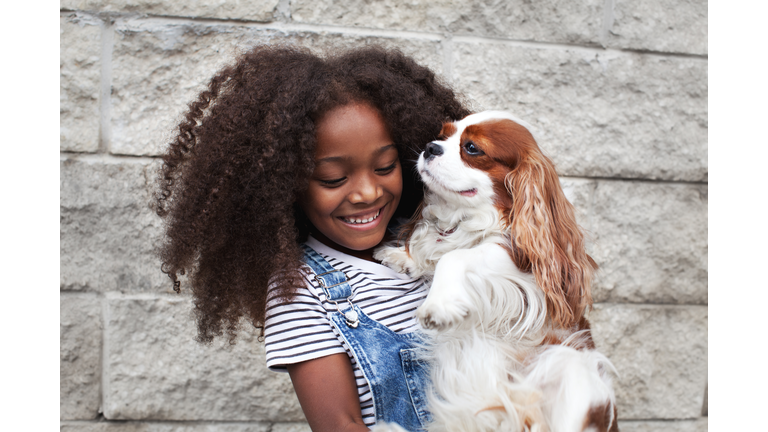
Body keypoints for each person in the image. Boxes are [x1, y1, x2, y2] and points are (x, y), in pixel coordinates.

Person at [156, 44, 470, 432]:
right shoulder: (302, 291)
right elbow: (341, 425)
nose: (367, 193)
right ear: (285, 185)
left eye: (386, 167)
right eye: (334, 178)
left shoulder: (438, 236)